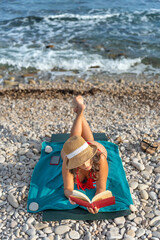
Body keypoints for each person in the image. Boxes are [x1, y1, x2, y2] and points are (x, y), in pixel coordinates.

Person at [61, 96, 108, 214]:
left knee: (81, 140)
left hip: (92, 146)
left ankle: (79, 113)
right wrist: (73, 197)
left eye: (88, 160)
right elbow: (67, 189)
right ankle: (80, 112)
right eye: (81, 163)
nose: (87, 165)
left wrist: (96, 203)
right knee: (73, 142)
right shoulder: (67, 162)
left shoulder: (99, 158)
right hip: (77, 150)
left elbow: (101, 188)